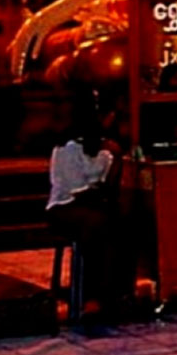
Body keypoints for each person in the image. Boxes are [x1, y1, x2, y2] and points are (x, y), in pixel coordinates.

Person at [46, 91, 128, 319]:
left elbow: (108, 185)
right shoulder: (68, 147)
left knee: (123, 221)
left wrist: (117, 158)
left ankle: (116, 292)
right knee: (97, 225)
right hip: (65, 207)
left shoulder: (105, 148)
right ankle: (91, 296)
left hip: (94, 204)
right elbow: (76, 191)